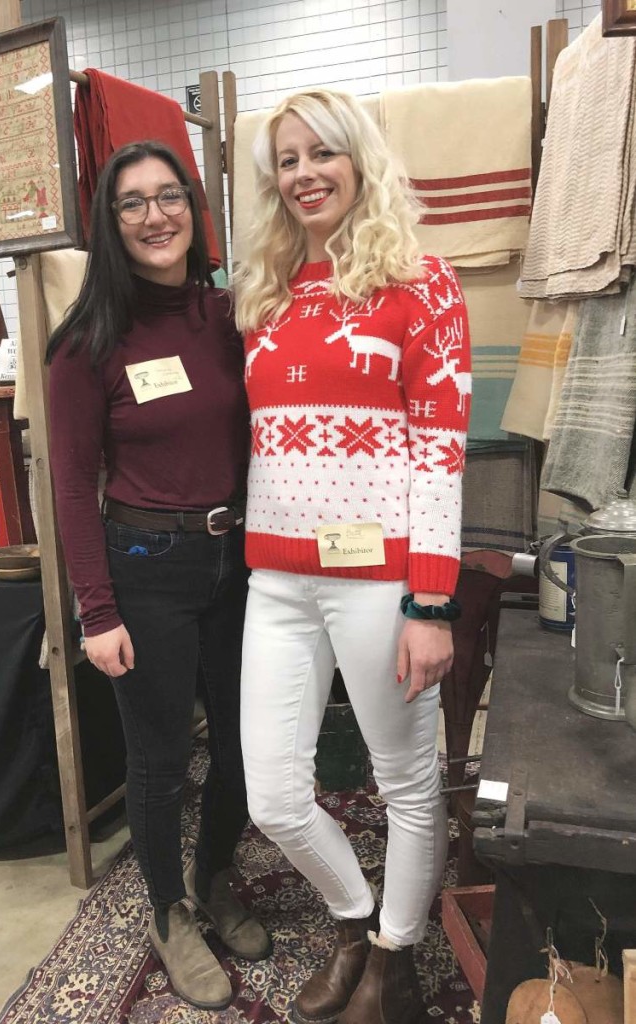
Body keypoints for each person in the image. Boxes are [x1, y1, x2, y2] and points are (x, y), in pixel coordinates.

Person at [234, 89, 471, 1024]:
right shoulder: (263, 291)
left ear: (360, 159)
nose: (304, 175)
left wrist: (432, 603)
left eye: (321, 154)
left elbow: (439, 449)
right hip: (277, 580)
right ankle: (355, 916)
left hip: (383, 583)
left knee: (407, 781)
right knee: (274, 797)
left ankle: (393, 960)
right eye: (287, 160)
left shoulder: (422, 282)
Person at [46, 140, 270, 1011]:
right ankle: (167, 911)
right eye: (131, 202)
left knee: (249, 745)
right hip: (146, 565)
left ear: (194, 207)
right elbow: (71, 487)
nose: (154, 215)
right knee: (163, 759)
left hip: (240, 559)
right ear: (110, 223)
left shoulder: (228, 315)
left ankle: (213, 875)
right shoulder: (88, 340)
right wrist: (96, 612)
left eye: (168, 196)